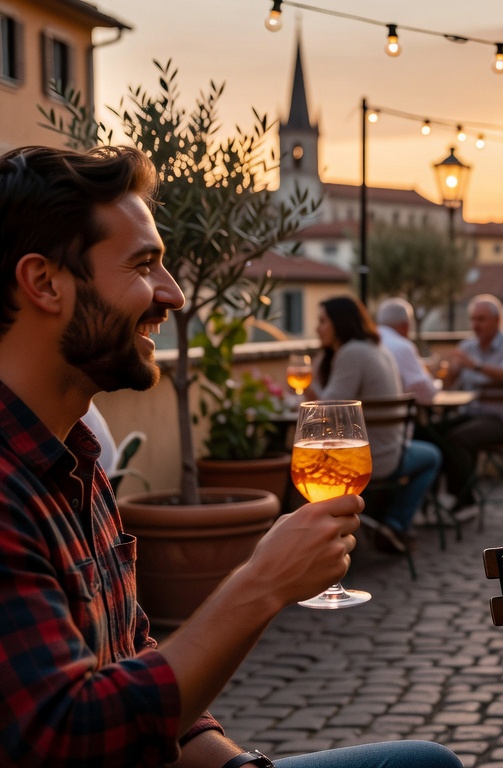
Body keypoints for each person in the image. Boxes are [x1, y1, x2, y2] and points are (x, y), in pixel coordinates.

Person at [0, 145, 458, 766]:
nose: (174, 295)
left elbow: (139, 663)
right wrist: (263, 582)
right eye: (143, 266)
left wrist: (240, 765)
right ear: (44, 283)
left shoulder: (77, 460)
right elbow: (71, 735)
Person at [314, 295, 442, 555]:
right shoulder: (376, 347)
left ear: (340, 323)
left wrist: (307, 385)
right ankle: (394, 523)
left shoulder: (351, 353)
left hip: (366, 461)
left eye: (322, 321)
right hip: (392, 454)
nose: (317, 328)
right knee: (432, 455)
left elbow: (326, 412)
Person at [443, 294, 503, 504]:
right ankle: (435, 503)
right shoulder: (467, 347)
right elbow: (447, 387)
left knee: (457, 438)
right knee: (434, 431)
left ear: (497, 320)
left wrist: (475, 366)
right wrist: (450, 371)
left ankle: (464, 500)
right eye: (473, 319)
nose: (475, 325)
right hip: (471, 414)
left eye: (481, 319)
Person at [376, 297, 437, 403]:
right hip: (396, 416)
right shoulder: (402, 346)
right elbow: (427, 393)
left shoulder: (370, 341)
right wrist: (437, 385)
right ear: (405, 325)